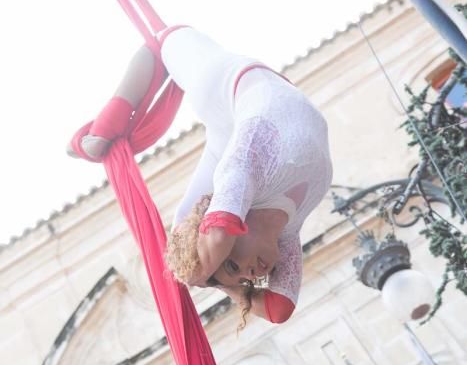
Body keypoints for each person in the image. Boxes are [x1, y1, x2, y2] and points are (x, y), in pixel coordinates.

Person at [69, 26, 332, 326]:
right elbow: (279, 310)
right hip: (237, 121)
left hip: (223, 88)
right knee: (185, 235)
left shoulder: (244, 169)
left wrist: (197, 273)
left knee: (166, 39)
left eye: (234, 265)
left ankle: (102, 127)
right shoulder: (286, 233)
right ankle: (99, 132)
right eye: (247, 279)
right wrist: (225, 285)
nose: (252, 276)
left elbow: (219, 232)